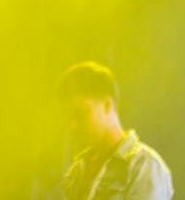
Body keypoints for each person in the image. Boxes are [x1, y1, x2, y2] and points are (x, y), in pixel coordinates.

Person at [58, 61, 173, 200]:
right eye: (70, 118)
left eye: (81, 113)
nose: (74, 125)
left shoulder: (143, 165)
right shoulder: (77, 171)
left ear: (107, 105)